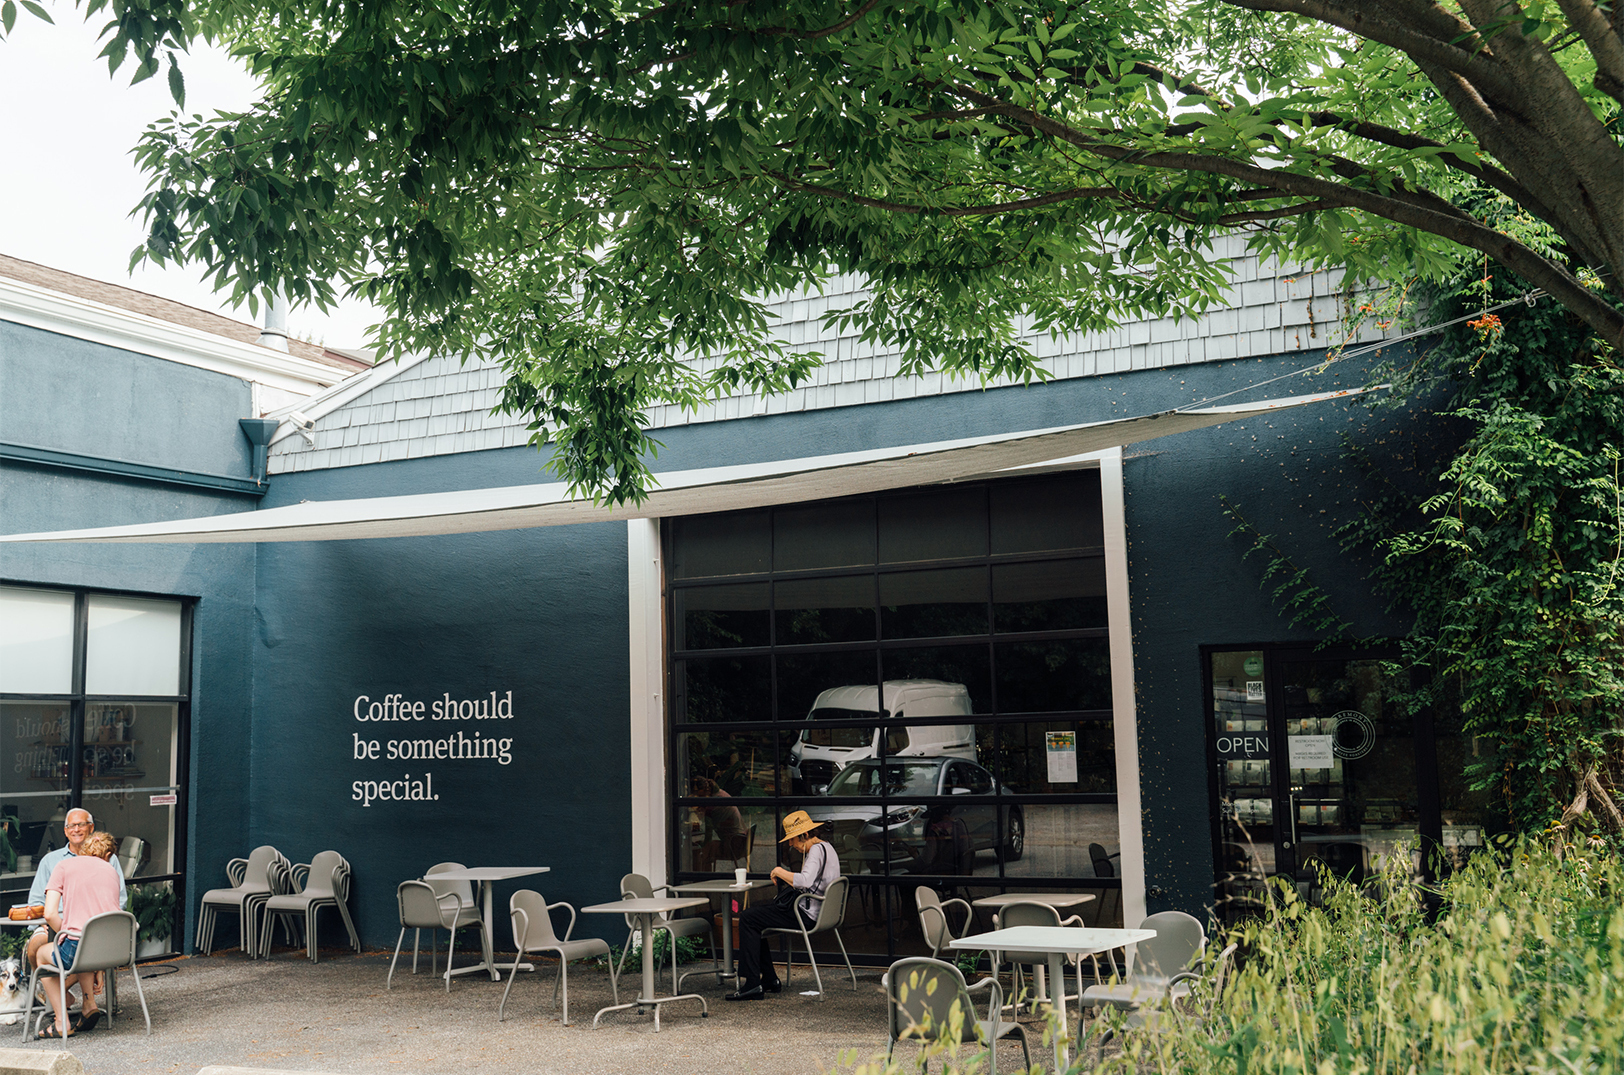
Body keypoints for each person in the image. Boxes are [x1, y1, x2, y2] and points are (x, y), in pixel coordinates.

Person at [725, 810, 840, 1001]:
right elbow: (811, 881)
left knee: (747, 917)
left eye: (792, 839)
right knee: (756, 918)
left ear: (804, 835)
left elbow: (804, 881)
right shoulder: (828, 848)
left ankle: (753, 983)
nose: (790, 844)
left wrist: (779, 870)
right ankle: (769, 979)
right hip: (820, 912)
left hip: (806, 915)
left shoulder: (815, 852)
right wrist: (785, 876)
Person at [23, 810, 127, 1015]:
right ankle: (83, 1002)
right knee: (37, 944)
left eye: (81, 824)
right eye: (72, 826)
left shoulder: (100, 861)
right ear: (65, 831)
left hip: (84, 928)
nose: (76, 829)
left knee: (75, 946)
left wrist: (70, 930)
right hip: (77, 930)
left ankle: (58, 1006)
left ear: (91, 828)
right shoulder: (51, 860)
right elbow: (38, 904)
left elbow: (120, 900)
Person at [38, 831, 122, 1038]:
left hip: (81, 947)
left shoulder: (64, 866)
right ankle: (89, 1005)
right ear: (108, 855)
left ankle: (61, 1022)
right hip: (114, 949)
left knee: (42, 953)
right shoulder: (111, 871)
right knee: (83, 945)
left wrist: (63, 933)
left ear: (83, 850)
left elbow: (49, 913)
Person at [691, 777, 746, 870]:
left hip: (733, 845)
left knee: (701, 850)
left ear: (704, 791)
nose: (695, 797)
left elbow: (708, 835)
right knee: (701, 847)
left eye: (697, 794)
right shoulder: (720, 793)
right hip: (741, 841)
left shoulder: (713, 805)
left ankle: (702, 878)